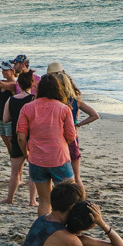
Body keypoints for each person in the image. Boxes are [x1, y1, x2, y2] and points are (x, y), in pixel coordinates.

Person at [17, 73, 78, 216]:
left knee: (45, 200)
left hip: (37, 159)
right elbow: (71, 136)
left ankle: (46, 230)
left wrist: (26, 152)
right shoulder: (63, 108)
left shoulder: (27, 108)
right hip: (59, 158)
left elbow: (21, 137)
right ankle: (68, 231)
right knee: (70, 198)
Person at [47, 64, 100, 187]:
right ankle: (80, 201)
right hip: (72, 139)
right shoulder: (75, 100)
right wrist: (77, 124)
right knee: (76, 177)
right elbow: (94, 115)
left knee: (54, 175)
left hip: (57, 139)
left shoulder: (55, 101)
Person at [1, 71, 35, 205]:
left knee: (15, 172)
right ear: (32, 84)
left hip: (16, 136)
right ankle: (32, 200)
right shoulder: (33, 99)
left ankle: (10, 198)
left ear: (18, 84)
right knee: (33, 172)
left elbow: (5, 119)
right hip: (31, 138)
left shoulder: (11, 99)